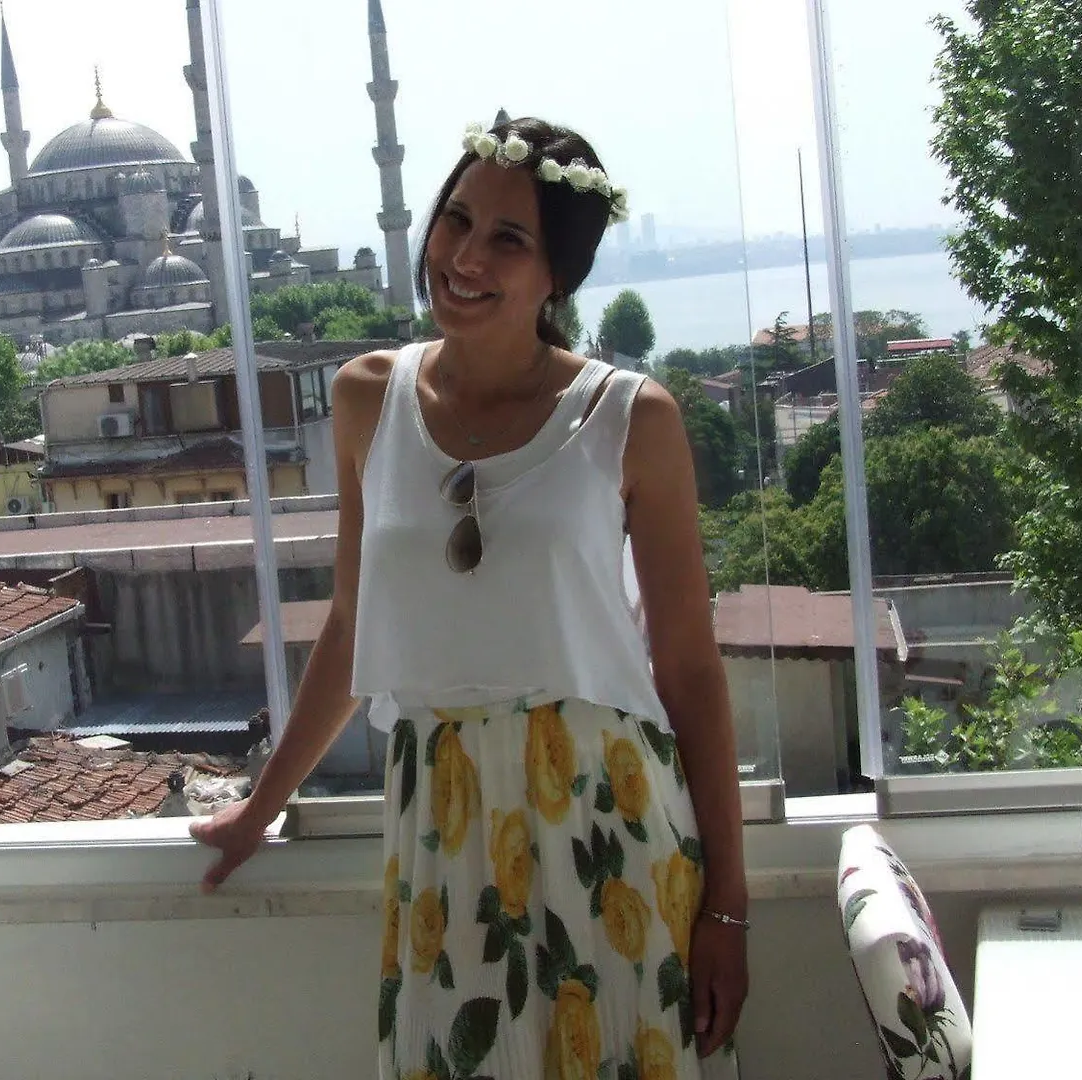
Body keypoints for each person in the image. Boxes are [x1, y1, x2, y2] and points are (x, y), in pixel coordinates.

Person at [193, 116, 749, 1077]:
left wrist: (728, 908)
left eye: (508, 238)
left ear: (558, 275)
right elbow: (354, 628)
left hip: (606, 817)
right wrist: (259, 809)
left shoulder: (631, 418)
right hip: (442, 830)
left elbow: (691, 671)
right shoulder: (368, 398)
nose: (465, 257)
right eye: (456, 220)